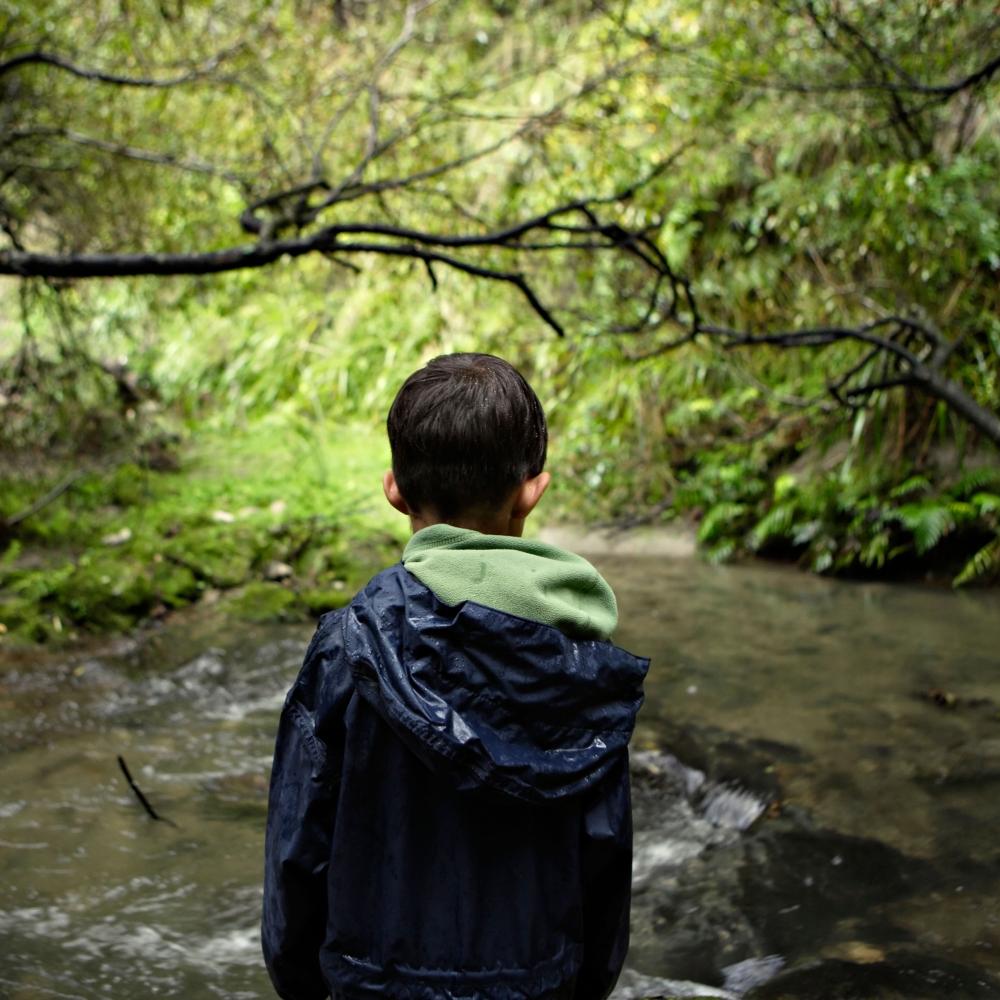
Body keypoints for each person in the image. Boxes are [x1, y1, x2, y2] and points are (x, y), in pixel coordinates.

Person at [261, 352, 649, 1000]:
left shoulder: (346, 648)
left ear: (394, 491)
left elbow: (297, 855)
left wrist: (306, 985)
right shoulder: (581, 659)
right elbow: (605, 864)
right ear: (533, 488)